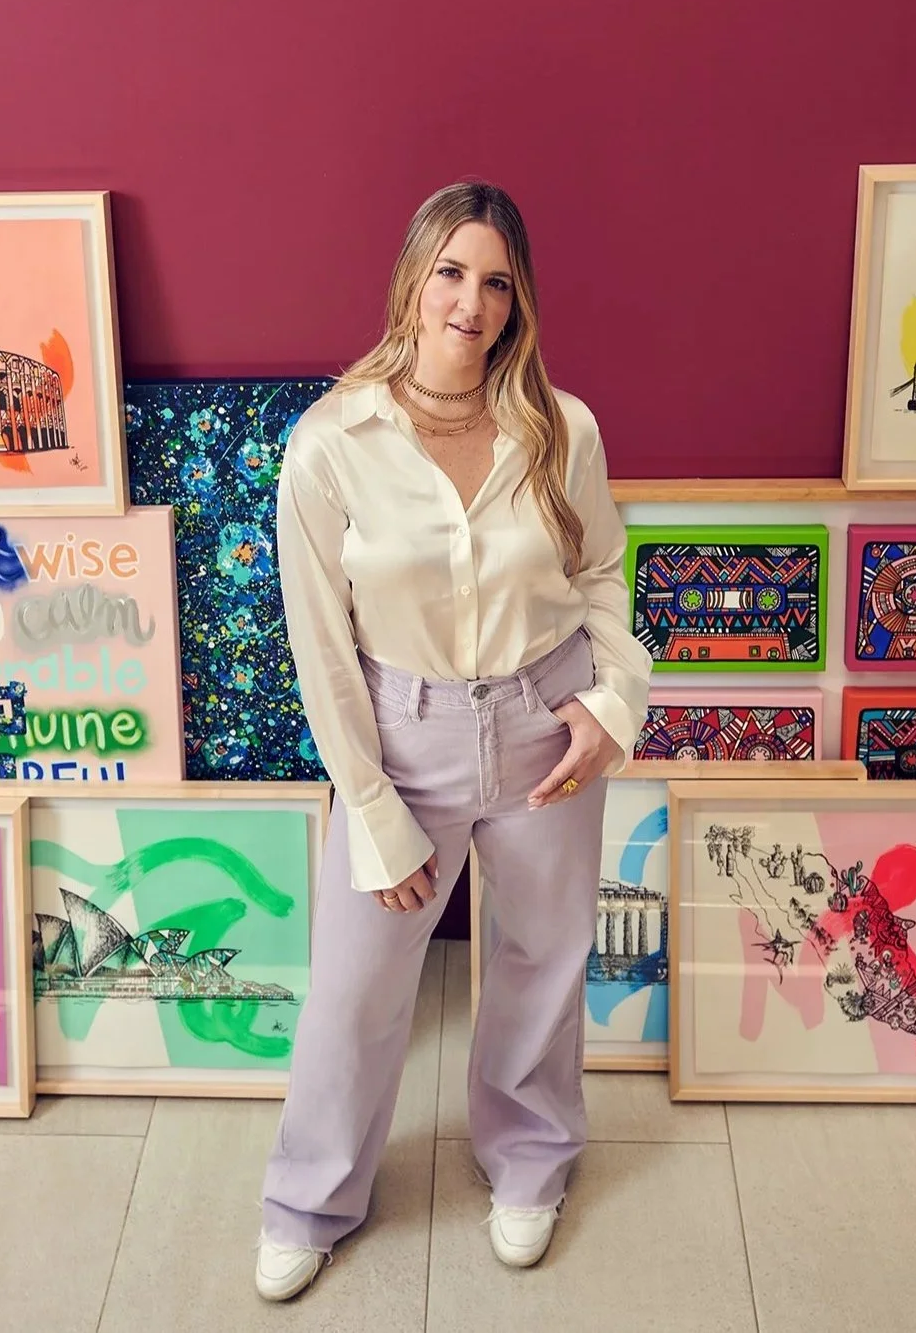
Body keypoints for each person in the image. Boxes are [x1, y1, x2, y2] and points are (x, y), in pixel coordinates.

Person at [255, 181, 652, 1303]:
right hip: (402, 732)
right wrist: (371, 807)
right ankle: (311, 1197)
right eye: (450, 272)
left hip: (546, 722)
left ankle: (530, 1160)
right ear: (412, 278)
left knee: (540, 961)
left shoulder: (560, 427)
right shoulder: (333, 442)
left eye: (494, 281)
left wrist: (611, 706)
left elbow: (603, 576)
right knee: (356, 987)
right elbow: (319, 645)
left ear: (517, 301)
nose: (469, 303)